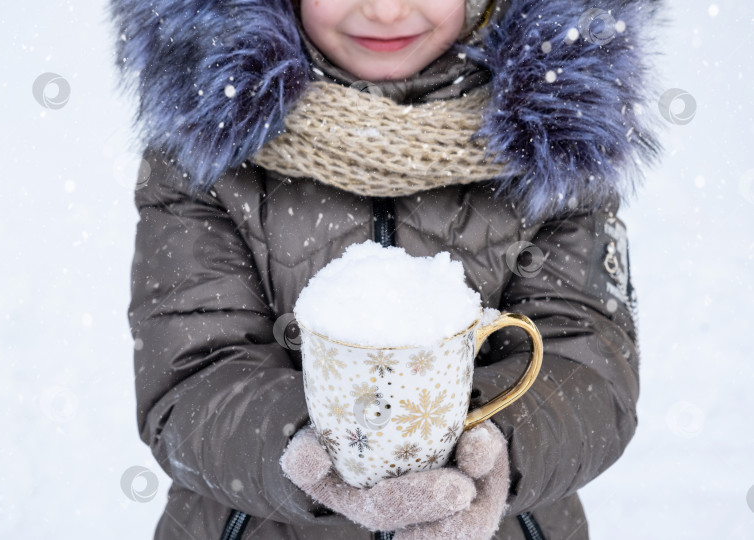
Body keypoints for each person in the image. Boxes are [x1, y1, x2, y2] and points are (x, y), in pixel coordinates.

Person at [108, 0, 665, 538]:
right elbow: (193, 373)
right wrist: (308, 449)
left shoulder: (560, 140)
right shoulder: (205, 144)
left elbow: (586, 358)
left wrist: (494, 447)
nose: (385, 11)